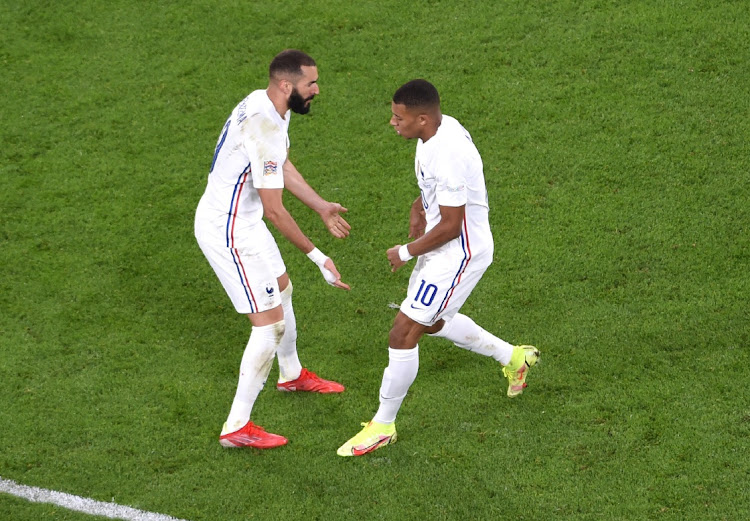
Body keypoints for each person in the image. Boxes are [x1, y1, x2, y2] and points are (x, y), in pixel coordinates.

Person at [337, 79, 540, 457]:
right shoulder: (437, 132)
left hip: (457, 253)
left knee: (404, 331)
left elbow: (451, 226)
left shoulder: (447, 152)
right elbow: (442, 191)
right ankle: (515, 357)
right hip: (443, 246)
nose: (393, 123)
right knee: (429, 321)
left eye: (399, 118)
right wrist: (419, 206)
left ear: (423, 119)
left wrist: (405, 251)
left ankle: (383, 425)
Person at [195, 49, 351, 450]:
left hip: (243, 220)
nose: (316, 90)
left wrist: (320, 205)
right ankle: (236, 426)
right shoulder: (264, 124)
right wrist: (320, 258)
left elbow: (278, 162)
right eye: (310, 84)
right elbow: (275, 211)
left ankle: (291, 374)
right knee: (269, 326)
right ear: (287, 86)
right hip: (228, 231)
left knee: (282, 289)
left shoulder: (265, 104)